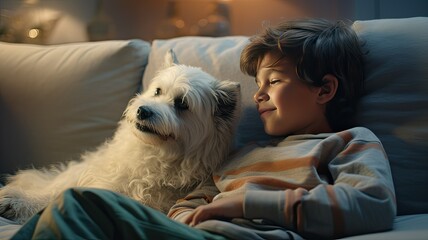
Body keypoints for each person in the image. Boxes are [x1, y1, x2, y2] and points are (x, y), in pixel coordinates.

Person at [12, 18, 396, 240]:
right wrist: (189, 214)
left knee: (82, 203)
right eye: (257, 85)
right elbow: (191, 202)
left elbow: (373, 206)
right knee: (75, 206)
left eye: (274, 82)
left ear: (325, 89)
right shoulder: (244, 155)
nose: (258, 96)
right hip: (193, 235)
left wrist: (246, 203)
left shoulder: (349, 143)